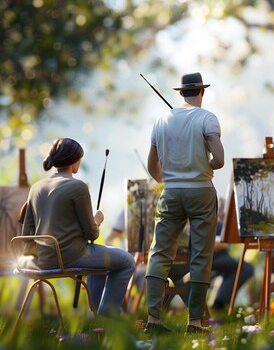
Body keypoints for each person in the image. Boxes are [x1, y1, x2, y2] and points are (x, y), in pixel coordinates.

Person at [144, 72, 224, 334]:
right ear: (202, 91)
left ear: (180, 93)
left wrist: (165, 180)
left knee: (160, 252)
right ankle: (195, 322)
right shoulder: (207, 118)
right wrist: (210, 164)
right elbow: (220, 158)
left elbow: (152, 164)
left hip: (171, 193)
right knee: (200, 255)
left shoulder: (161, 120)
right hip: (200, 191)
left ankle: (153, 320)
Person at [19, 138, 135, 315]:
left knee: (102, 261)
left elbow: (26, 231)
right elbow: (92, 234)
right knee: (127, 261)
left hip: (42, 259)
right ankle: (108, 317)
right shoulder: (77, 186)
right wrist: (97, 218)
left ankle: (96, 318)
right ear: (74, 160)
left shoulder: (36, 187)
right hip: (71, 256)